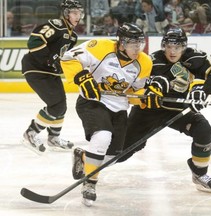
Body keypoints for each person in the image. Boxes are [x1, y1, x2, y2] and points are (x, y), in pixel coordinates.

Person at [118, 27, 211, 193]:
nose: (172, 51)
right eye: (169, 47)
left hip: (178, 110)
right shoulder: (152, 61)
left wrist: (202, 91)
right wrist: (148, 90)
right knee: (122, 152)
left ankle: (199, 174)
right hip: (148, 112)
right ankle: (88, 161)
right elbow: (136, 87)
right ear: (163, 46)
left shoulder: (192, 58)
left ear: (184, 47)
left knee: (204, 130)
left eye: (177, 47)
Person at [61, 23, 160, 206]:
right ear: (121, 42)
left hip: (119, 109)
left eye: (139, 43)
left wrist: (146, 98)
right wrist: (82, 77)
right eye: (132, 43)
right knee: (102, 137)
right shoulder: (99, 47)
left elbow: (134, 93)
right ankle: (89, 184)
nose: (137, 48)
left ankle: (84, 157)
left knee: (113, 157)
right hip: (93, 102)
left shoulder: (144, 62)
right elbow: (68, 58)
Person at [21, 0, 84, 154]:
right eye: (74, 12)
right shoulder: (56, 25)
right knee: (55, 105)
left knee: (61, 106)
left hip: (50, 72)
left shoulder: (73, 36)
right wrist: (48, 60)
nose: (78, 16)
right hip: (36, 69)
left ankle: (54, 137)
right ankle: (31, 133)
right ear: (65, 14)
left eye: (79, 13)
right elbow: (34, 40)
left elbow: (61, 57)